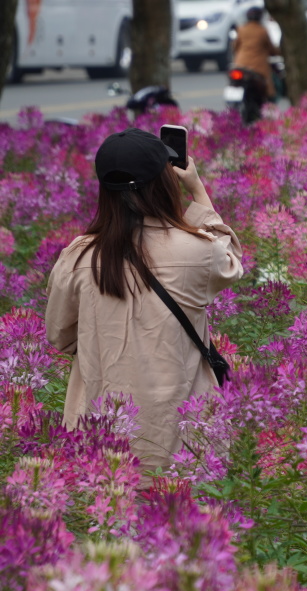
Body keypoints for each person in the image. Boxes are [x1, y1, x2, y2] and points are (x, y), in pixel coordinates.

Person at [45, 128, 244, 485]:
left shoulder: (78, 256)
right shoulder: (199, 252)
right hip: (184, 434)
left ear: (105, 190)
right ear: (164, 184)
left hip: (102, 433)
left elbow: (59, 334)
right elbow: (229, 259)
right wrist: (197, 190)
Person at [232, 6, 281, 100]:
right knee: (269, 88)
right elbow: (271, 49)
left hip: (240, 64)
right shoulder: (262, 31)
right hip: (258, 67)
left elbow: (235, 47)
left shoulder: (241, 29)